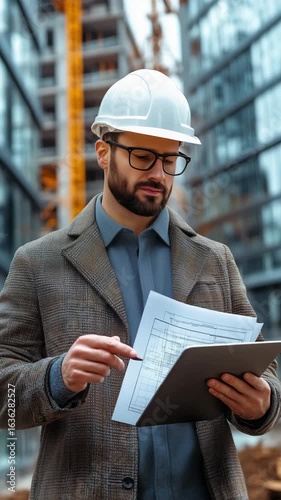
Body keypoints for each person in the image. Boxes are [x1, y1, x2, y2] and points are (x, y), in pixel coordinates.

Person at [0, 69, 280, 500]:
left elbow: (266, 375)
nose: (159, 174)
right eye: (143, 157)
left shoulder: (215, 260)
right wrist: (57, 377)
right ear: (103, 152)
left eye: (170, 160)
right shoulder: (37, 263)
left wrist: (261, 405)